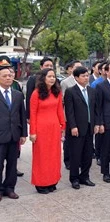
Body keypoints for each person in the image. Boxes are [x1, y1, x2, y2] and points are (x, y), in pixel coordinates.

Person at [29, 68, 66, 194]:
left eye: (53, 77)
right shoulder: (36, 93)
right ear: (43, 78)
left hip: (54, 128)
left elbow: (59, 110)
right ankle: (41, 183)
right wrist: (32, 132)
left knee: (54, 156)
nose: (52, 79)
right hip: (41, 129)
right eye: (49, 76)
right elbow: (32, 114)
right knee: (41, 157)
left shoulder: (57, 92)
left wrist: (63, 126)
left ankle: (52, 181)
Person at [64, 66, 98, 189]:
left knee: (88, 154)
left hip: (89, 127)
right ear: (76, 78)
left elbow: (95, 110)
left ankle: (85, 176)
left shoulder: (91, 91)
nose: (86, 78)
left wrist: (96, 124)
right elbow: (69, 111)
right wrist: (73, 126)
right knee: (75, 154)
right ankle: (74, 178)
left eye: (87, 75)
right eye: (83, 76)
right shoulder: (71, 91)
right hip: (77, 128)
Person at [0, 61, 27, 201]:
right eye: (4, 76)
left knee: (12, 165)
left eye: (10, 76)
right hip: (0, 135)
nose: (8, 78)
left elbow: (22, 115)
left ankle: (10, 188)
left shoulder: (17, 95)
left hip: (14, 135)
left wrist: (23, 134)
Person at [60, 60, 83, 170]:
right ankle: (68, 160)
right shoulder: (65, 82)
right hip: (69, 114)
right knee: (68, 139)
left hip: (81, 114)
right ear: (71, 69)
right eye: (77, 67)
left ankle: (78, 159)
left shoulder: (84, 81)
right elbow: (64, 99)